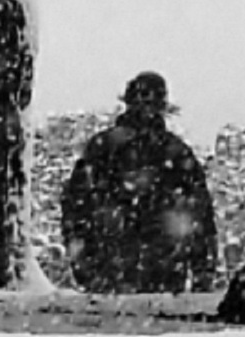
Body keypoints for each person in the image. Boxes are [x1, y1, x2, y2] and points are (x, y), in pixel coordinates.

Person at [58, 70, 220, 292]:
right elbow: (200, 216)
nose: (146, 108)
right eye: (144, 100)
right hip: (146, 271)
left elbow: (75, 207)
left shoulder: (106, 147)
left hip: (126, 271)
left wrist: (82, 260)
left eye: (150, 101)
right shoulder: (174, 153)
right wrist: (203, 269)